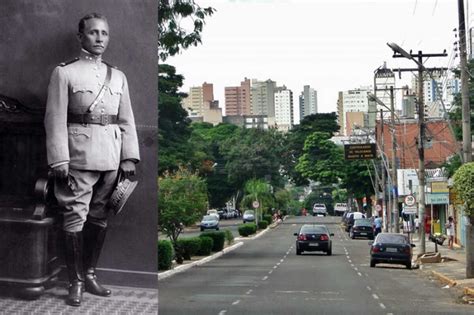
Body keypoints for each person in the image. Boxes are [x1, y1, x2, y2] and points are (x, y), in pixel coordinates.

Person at [44, 13, 140, 306]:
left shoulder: (118, 76)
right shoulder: (65, 73)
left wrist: (130, 158)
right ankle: (74, 281)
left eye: (105, 34)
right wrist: (59, 160)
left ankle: (90, 273)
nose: (100, 38)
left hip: (111, 159)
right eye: (94, 33)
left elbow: (126, 120)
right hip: (78, 158)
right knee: (75, 216)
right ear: (81, 37)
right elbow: (55, 119)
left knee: (99, 217)